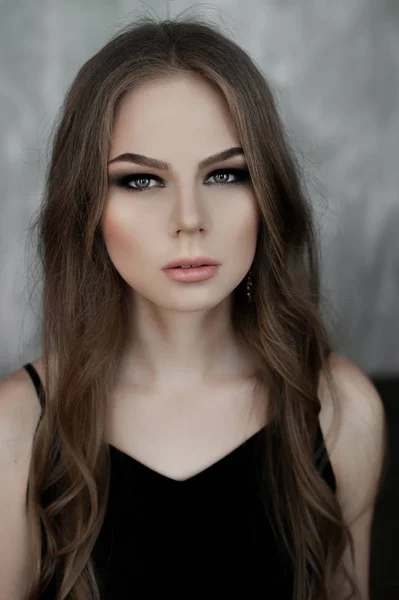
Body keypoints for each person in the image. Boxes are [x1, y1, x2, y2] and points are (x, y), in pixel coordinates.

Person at [0, 12, 387, 600]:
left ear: (268, 195)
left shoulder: (340, 411)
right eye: (141, 181)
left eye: (227, 174)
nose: (189, 220)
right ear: (86, 207)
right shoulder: (17, 429)